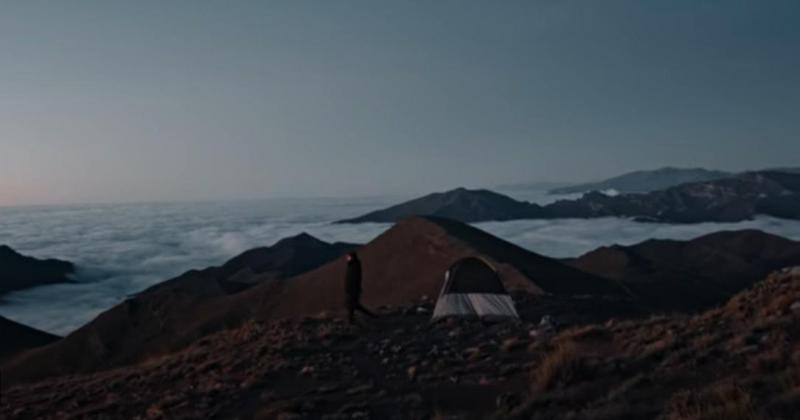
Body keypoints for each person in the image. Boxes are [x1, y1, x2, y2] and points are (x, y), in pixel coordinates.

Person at [344, 251, 376, 323]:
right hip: (351, 289)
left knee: (351, 305)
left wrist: (353, 288)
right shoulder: (352, 266)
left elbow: (355, 279)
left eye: (348, 257)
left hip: (353, 289)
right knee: (354, 305)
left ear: (351, 257)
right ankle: (371, 316)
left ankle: (351, 320)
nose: (346, 258)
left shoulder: (355, 266)